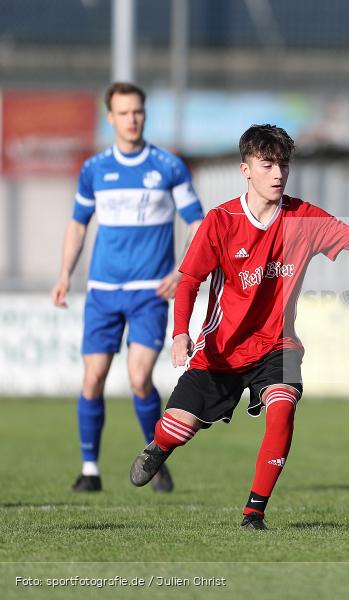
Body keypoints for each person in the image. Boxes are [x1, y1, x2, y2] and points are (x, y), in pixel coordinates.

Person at [129, 124, 349, 530]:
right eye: (267, 165)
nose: (278, 174)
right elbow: (190, 281)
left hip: (277, 346)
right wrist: (180, 333)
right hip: (223, 348)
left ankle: (254, 512)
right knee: (178, 428)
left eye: (283, 164)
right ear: (246, 169)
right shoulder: (221, 221)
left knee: (283, 409)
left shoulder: (304, 218)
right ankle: (160, 446)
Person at [51, 82, 204, 493]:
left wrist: (183, 271)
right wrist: (66, 273)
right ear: (111, 118)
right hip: (103, 290)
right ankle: (89, 470)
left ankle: (156, 455)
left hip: (149, 293)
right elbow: (78, 224)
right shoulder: (94, 169)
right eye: (123, 113)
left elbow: (198, 224)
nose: (131, 119)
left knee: (138, 378)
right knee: (93, 378)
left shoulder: (168, 166)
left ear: (144, 115)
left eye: (137, 111)